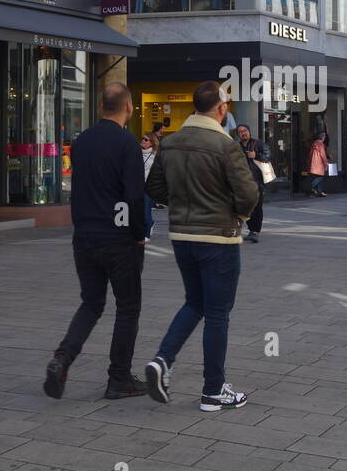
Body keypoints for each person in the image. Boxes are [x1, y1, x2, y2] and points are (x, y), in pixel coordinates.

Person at [144, 81, 259, 412]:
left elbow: (154, 187)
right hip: (218, 237)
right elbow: (248, 193)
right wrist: (237, 214)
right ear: (221, 109)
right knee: (218, 312)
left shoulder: (172, 142)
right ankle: (213, 390)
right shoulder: (225, 145)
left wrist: (181, 205)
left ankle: (163, 359)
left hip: (182, 236)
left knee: (195, 302)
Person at [45, 82, 148, 401]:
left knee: (91, 303)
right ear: (129, 107)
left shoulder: (82, 142)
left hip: (85, 237)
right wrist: (139, 233)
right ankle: (119, 378)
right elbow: (134, 197)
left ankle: (63, 357)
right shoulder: (128, 144)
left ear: (101, 106)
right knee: (128, 307)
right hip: (118, 239)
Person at [236, 124, 269, 243]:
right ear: (238, 135)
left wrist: (257, 155)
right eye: (240, 132)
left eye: (245, 130)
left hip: (257, 181)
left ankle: (255, 232)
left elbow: (268, 156)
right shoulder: (237, 147)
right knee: (247, 207)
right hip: (243, 182)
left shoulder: (258, 144)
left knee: (257, 207)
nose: (243, 133)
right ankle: (251, 230)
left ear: (249, 132)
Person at [141, 131, 159, 241]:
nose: (143, 140)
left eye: (146, 139)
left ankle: (147, 234)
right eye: (142, 138)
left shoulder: (154, 156)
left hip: (149, 188)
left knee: (145, 211)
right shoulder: (137, 153)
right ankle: (150, 224)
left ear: (152, 143)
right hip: (138, 186)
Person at [306, 131, 328, 197]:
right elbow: (323, 155)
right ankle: (311, 188)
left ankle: (319, 192)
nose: (325, 138)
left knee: (317, 177)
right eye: (324, 136)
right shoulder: (320, 144)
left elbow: (310, 155)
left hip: (313, 164)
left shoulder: (314, 144)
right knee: (320, 177)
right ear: (322, 137)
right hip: (319, 164)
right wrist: (325, 164)